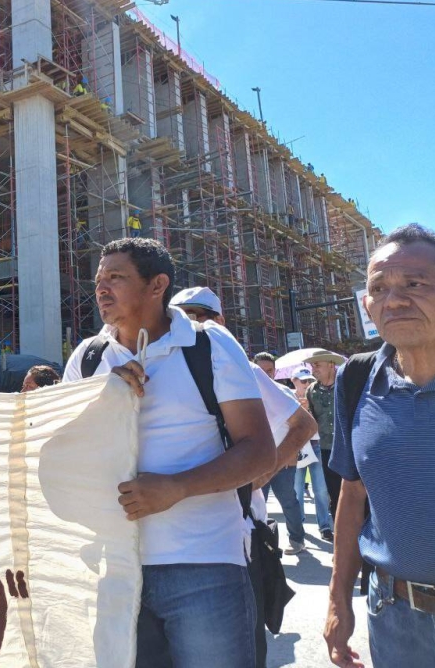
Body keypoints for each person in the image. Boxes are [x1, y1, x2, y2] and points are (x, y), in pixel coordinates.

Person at [64, 239, 275, 667]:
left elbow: (259, 451)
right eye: (99, 280)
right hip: (114, 571)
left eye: (116, 278)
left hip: (204, 566)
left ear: (157, 284)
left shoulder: (210, 346)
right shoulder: (87, 359)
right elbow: (62, 459)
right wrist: (102, 397)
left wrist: (177, 487)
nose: (102, 289)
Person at [325, 224, 435, 668]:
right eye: (379, 288)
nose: (394, 300)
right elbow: (353, 495)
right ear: (367, 305)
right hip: (395, 623)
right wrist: (339, 601)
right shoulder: (357, 379)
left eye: (415, 284)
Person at [170, 286, 317, 668]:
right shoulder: (161, 366)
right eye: (181, 314)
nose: (189, 322)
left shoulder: (238, 366)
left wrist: (258, 476)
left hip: (236, 539)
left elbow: (302, 424)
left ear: (219, 321)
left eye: (198, 314)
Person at [290, 368, 333, 543]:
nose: (307, 384)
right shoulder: (287, 396)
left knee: (321, 490)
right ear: (293, 381)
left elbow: (320, 422)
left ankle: (325, 526)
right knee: (296, 490)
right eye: (302, 381)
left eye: (308, 380)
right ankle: (298, 525)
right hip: (295, 449)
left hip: (315, 446)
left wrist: (309, 412)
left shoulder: (314, 394)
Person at [305, 349, 345, 520]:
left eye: (317, 365)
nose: (313, 369)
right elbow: (313, 418)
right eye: (312, 366)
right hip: (327, 449)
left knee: (358, 491)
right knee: (334, 493)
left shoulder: (346, 385)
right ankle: (340, 533)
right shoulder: (311, 390)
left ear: (331, 365)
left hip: (348, 447)